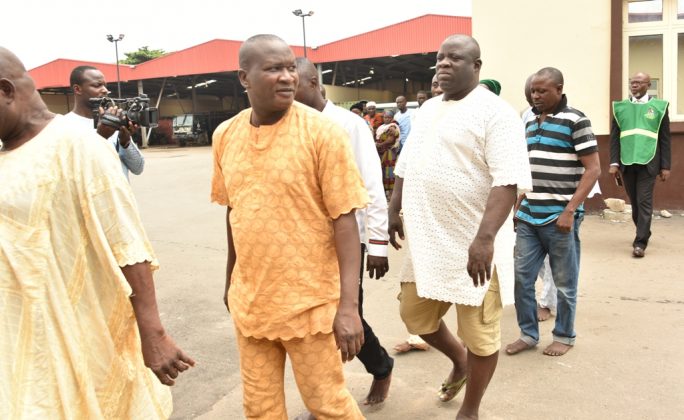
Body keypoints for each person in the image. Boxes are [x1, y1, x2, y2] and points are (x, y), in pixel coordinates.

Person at [0, 47, 194, 419]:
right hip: (17, 340)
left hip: (79, 335)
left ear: (6, 90)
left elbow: (128, 243)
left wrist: (152, 333)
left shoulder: (77, 145)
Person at [210, 34, 367, 419]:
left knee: (327, 405)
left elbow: (345, 221)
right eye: (273, 69)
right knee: (259, 409)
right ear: (244, 78)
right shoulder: (225, 135)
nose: (287, 77)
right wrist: (230, 280)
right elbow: (235, 212)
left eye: (290, 67)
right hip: (252, 304)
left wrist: (348, 308)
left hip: (310, 305)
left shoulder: (322, 133)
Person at [388, 35, 532, 419]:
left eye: (455, 58)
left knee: (481, 337)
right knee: (415, 316)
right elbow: (406, 164)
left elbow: (507, 181)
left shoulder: (496, 113)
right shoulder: (427, 109)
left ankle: (470, 410)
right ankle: (459, 361)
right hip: (429, 242)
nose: (444, 64)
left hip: (475, 246)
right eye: (440, 58)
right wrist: (393, 208)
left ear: (476, 66)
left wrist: (485, 239)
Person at [294, 57, 394, 405]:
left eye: (294, 85)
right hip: (305, 242)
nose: (286, 92)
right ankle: (324, 397)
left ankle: (381, 367)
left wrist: (377, 244)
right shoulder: (291, 125)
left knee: (348, 317)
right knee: (314, 321)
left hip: (346, 239)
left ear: (314, 84)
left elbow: (372, 185)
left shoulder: (349, 125)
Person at [506, 67, 601, 357]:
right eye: (533, 91)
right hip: (529, 216)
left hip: (559, 217)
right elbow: (526, 168)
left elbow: (593, 169)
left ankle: (564, 335)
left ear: (559, 89)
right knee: (522, 279)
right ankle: (528, 334)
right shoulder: (529, 121)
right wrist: (518, 205)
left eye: (542, 91)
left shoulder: (576, 120)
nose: (536, 96)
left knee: (564, 283)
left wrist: (570, 210)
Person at [609, 71, 671, 258]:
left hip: (649, 161)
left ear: (648, 85)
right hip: (627, 162)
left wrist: (665, 166)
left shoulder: (659, 107)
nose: (634, 85)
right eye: (632, 82)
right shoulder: (620, 107)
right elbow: (614, 138)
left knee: (644, 201)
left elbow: (665, 138)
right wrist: (614, 162)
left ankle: (640, 243)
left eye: (638, 82)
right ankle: (644, 231)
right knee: (635, 202)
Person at [63, 65, 145, 180]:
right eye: (97, 85)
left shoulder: (114, 120)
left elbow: (138, 168)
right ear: (77, 89)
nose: (105, 90)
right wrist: (101, 138)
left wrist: (125, 143)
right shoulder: (63, 126)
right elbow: (71, 173)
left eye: (105, 85)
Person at [376, 110, 401, 201]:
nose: (386, 119)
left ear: (392, 118)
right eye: (385, 117)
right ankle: (385, 194)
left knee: (390, 173)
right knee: (383, 172)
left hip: (389, 154)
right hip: (382, 154)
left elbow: (390, 140)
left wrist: (380, 145)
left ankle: (391, 194)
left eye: (388, 117)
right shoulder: (381, 127)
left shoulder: (392, 127)